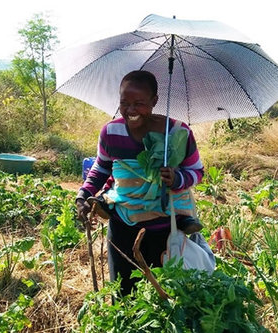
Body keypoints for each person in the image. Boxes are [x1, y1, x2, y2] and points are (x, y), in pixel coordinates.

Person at [76, 70, 204, 295]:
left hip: (164, 230)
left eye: (139, 103)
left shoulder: (176, 133)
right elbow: (101, 167)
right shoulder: (111, 132)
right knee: (123, 294)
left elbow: (197, 171)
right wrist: (83, 195)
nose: (131, 110)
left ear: (154, 101)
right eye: (124, 103)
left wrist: (177, 178)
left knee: (161, 297)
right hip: (122, 226)